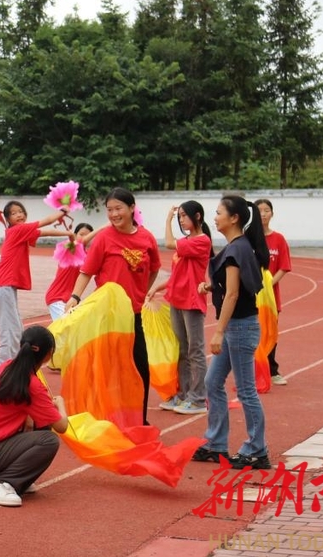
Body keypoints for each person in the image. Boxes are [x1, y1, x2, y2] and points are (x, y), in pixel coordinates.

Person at [66, 188, 160, 425]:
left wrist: (140, 292)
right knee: (109, 369)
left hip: (134, 315)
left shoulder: (147, 238)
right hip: (108, 316)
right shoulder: (104, 238)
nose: (114, 214)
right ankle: (106, 417)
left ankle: (139, 418)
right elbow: (86, 272)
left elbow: (155, 268)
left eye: (118, 208)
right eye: (110, 210)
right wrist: (74, 298)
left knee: (139, 368)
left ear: (131, 208)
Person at [192, 195, 271, 470]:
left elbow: (235, 294)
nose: (214, 218)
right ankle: (216, 444)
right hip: (239, 327)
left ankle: (257, 450)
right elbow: (236, 285)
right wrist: (212, 287)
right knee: (213, 383)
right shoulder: (239, 247)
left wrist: (218, 332)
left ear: (233, 218)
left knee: (247, 390)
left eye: (218, 213)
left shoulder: (237, 249)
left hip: (239, 328)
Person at [0, 325, 68, 507]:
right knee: (49, 440)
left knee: (41, 425)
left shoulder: (6, 367)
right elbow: (61, 426)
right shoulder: (32, 385)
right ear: (49, 354)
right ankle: (2, 482)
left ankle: (16, 476)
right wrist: (60, 404)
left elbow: (31, 422)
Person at [146, 201, 213, 416]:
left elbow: (167, 244)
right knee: (182, 350)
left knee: (195, 350)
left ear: (198, 216)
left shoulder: (202, 241)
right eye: (179, 217)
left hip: (191, 301)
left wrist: (167, 221)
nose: (182, 220)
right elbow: (178, 274)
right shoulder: (185, 242)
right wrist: (158, 286)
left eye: (185, 216)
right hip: (176, 299)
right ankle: (184, 394)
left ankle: (198, 397)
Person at [0, 201, 74, 364]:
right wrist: (63, 212)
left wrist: (67, 233)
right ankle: (1, 373)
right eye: (14, 213)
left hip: (6, 287)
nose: (19, 215)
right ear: (8, 219)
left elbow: (44, 232)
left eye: (21, 211)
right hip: (3, 285)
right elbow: (48, 221)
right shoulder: (17, 230)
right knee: (9, 333)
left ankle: (12, 369)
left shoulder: (22, 232)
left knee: (16, 331)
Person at [254, 198, 291, 385]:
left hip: (270, 296)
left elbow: (284, 266)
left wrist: (268, 285)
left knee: (270, 331)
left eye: (266, 210)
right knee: (253, 331)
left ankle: (271, 369)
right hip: (252, 295)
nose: (263, 214)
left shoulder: (279, 239)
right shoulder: (249, 238)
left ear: (272, 213)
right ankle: (253, 369)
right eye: (259, 210)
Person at [44, 222, 96, 320]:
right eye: (81, 234)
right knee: (67, 328)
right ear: (75, 235)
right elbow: (80, 243)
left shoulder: (88, 255)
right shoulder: (69, 248)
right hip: (57, 298)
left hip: (71, 300)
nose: (84, 237)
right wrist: (106, 226)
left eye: (88, 235)